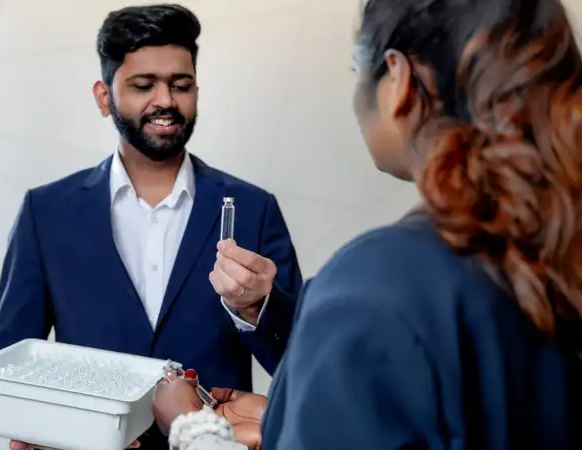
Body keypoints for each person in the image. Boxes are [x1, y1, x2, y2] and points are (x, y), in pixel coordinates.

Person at [152, 0, 582, 448]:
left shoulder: (374, 283)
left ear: (399, 79)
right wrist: (288, 416)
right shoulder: (554, 251)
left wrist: (193, 427)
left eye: (357, 69)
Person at [0, 4, 303, 450]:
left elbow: (305, 367)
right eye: (143, 85)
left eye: (181, 85)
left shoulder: (254, 209)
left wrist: (258, 309)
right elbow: (11, 367)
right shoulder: (46, 212)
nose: (165, 102)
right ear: (103, 97)